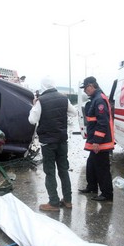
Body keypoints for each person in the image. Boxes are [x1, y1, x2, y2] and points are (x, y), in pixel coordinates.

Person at [28, 77, 77, 211]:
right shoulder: (63, 98)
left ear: (42, 86)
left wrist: (34, 105)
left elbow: (32, 120)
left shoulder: (41, 101)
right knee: (63, 170)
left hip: (48, 143)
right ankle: (68, 200)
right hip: (62, 141)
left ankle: (53, 203)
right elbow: (74, 113)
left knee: (50, 172)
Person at [79, 76, 115, 201]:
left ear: (91, 86)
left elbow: (102, 123)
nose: (84, 91)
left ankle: (107, 193)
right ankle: (92, 187)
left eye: (85, 88)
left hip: (101, 142)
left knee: (102, 168)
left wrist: (96, 141)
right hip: (97, 141)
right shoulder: (96, 99)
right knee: (92, 164)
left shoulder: (99, 100)